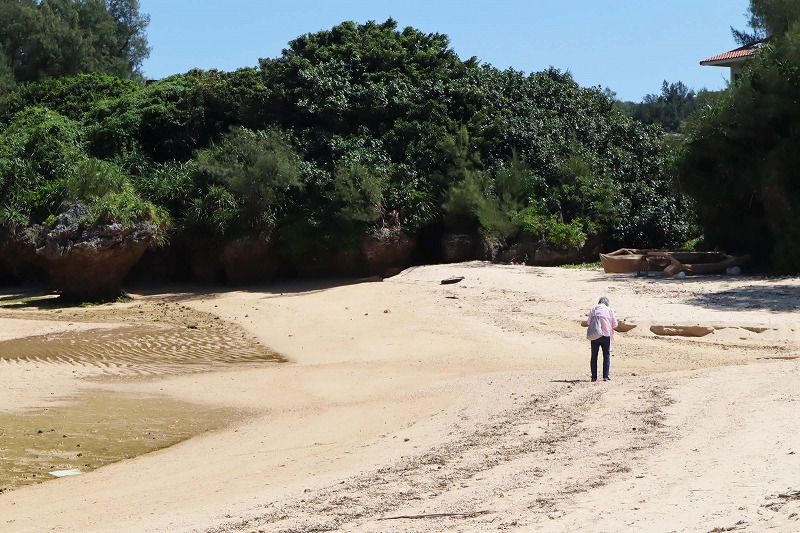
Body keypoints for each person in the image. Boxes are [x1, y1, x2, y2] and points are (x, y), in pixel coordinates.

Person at [587, 296, 618, 382]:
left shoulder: (593, 309)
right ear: (607, 303)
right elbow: (615, 325)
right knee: (606, 355)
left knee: (594, 356)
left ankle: (594, 377)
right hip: (606, 335)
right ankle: (605, 376)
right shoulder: (610, 310)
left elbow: (588, 322)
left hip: (595, 334)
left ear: (599, 302)